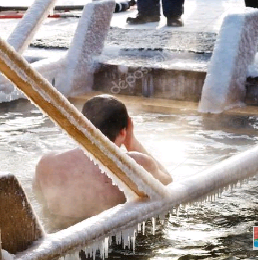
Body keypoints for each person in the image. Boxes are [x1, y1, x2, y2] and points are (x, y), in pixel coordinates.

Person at [33, 95, 172, 227]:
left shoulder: (47, 163)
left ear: (80, 126)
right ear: (123, 132)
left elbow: (39, 199)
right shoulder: (137, 163)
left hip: (58, 238)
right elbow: (169, 185)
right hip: (116, 243)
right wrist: (132, 142)